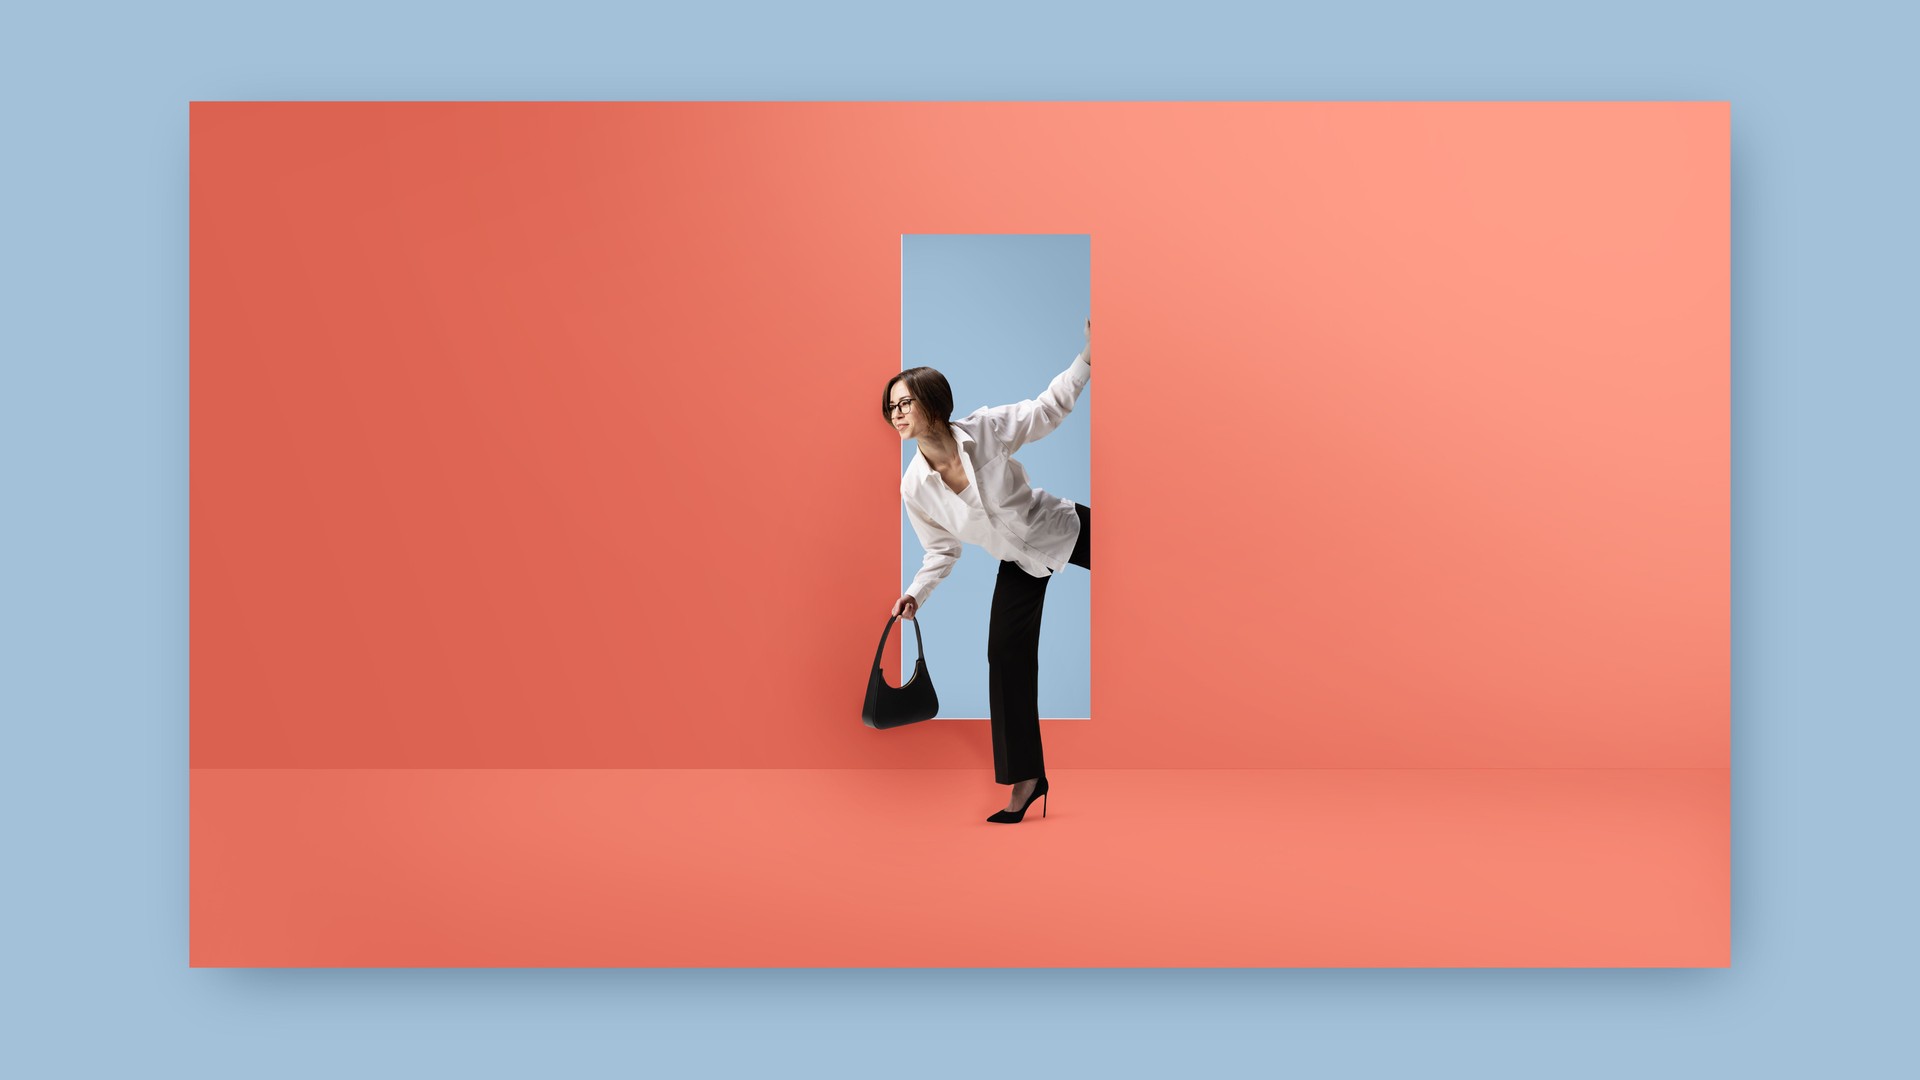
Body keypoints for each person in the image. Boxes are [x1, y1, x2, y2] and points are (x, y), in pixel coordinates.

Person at [886, 317, 1093, 824]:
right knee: (1004, 655)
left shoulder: (984, 430)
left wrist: (1088, 358)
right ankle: (1027, 778)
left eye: (906, 401)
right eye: (891, 406)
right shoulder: (915, 488)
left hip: (1060, 526)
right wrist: (916, 594)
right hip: (1019, 562)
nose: (897, 412)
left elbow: (1046, 410)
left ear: (934, 400)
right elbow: (940, 550)